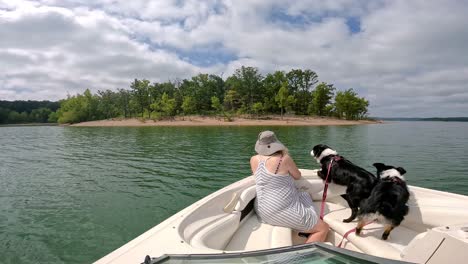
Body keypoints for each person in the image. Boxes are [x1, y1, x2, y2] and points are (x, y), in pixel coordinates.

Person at [250, 130, 329, 243]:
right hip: (277, 210)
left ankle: (304, 227)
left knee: (303, 195)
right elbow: (297, 176)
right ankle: (307, 257)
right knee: (323, 228)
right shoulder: (283, 159)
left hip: (261, 208)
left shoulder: (254, 159)